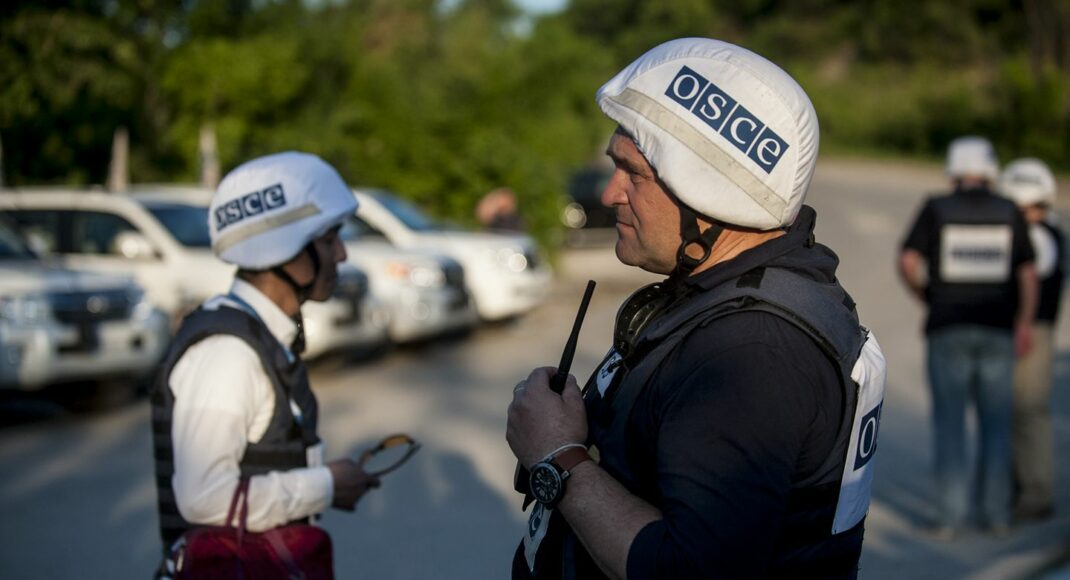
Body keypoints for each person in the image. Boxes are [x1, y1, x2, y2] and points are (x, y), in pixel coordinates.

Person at [507, 38, 887, 579]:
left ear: (711, 197)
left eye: (633, 173)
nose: (612, 193)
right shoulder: (739, 293)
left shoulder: (753, 350)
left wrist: (557, 457)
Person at [151, 151, 380, 576]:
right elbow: (204, 497)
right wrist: (326, 486)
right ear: (285, 247)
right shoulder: (228, 355)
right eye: (330, 239)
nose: (342, 255)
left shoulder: (261, 336)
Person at [898, 137, 1038, 538]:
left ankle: (948, 518)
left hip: (947, 327)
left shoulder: (936, 207)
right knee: (996, 425)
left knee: (949, 424)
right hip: (997, 329)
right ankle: (996, 516)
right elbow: (1027, 274)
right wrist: (1024, 321)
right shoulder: (1009, 210)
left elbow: (908, 260)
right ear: (990, 172)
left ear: (954, 171)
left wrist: (925, 294)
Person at [999, 158, 1064, 522]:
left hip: (1032, 332)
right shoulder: (1046, 230)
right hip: (1030, 330)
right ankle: (1024, 488)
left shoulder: (1038, 237)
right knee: (1020, 412)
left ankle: (1036, 494)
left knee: (1028, 410)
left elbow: (1029, 278)